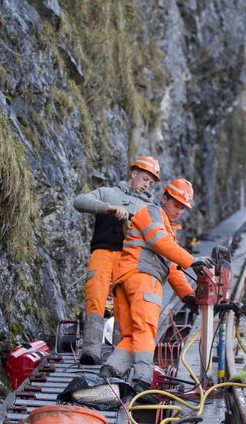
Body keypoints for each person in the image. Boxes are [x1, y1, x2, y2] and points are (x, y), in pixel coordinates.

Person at [101, 178, 213, 392]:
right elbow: (158, 241)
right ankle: (143, 380)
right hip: (143, 277)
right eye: (175, 205)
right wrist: (191, 260)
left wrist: (187, 295)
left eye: (182, 208)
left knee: (130, 336)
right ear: (164, 198)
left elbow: (171, 267)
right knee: (146, 330)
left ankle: (110, 370)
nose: (178, 211)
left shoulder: (167, 229)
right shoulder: (151, 212)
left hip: (125, 280)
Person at [73, 157, 162, 365]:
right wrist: (109, 208)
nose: (146, 185)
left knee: (124, 307)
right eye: (145, 179)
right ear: (134, 173)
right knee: (95, 296)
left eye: (150, 183)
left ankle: (117, 356)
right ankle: (91, 351)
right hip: (102, 253)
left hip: (129, 260)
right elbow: (79, 202)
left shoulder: (148, 209)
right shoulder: (107, 193)